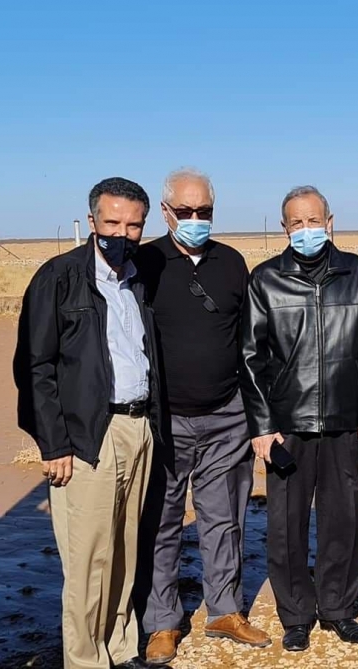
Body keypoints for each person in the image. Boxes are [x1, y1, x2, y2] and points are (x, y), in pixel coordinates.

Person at [13, 177, 161, 669]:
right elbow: (35, 367)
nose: (122, 233)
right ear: (93, 220)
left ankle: (120, 646)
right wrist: (53, 443)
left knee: (124, 547)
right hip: (87, 436)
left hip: (138, 427)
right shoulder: (59, 278)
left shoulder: (138, 278)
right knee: (88, 559)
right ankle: (85, 659)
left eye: (133, 225)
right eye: (112, 222)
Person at [240, 185, 358, 652]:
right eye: (296, 223)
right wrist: (263, 425)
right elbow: (251, 358)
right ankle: (297, 614)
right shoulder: (266, 279)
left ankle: (339, 609)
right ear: (285, 228)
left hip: (343, 420)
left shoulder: (357, 273)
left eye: (313, 221)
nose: (306, 230)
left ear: (330, 221)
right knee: (286, 526)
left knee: (344, 521)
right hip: (288, 425)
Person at [135, 168, 270, 663]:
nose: (195, 218)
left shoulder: (231, 262)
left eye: (204, 211)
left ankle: (225, 610)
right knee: (161, 523)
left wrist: (257, 413)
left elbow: (250, 339)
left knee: (224, 518)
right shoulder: (144, 262)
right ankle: (162, 622)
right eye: (185, 211)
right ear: (166, 211)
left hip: (227, 415)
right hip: (164, 421)